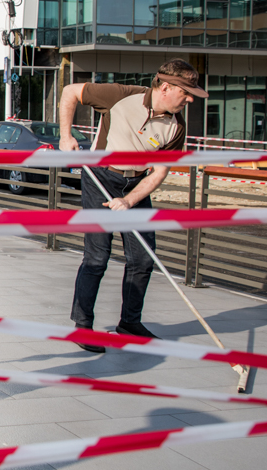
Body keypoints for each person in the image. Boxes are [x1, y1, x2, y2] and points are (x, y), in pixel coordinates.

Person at [58, 58, 207, 352]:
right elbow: (70, 92)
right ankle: (83, 327)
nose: (190, 99)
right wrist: (66, 136)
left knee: (143, 258)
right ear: (166, 87)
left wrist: (128, 200)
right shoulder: (122, 95)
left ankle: (129, 323)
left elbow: (161, 171)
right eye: (186, 92)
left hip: (135, 186)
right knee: (97, 257)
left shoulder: (176, 126)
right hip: (100, 176)